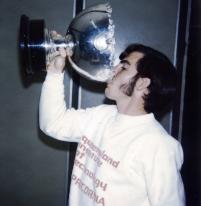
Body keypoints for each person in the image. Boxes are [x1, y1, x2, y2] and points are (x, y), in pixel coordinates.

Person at [39, 32, 185, 206]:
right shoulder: (102, 115)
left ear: (142, 84)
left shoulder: (159, 146)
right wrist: (55, 72)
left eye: (124, 67)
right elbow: (53, 123)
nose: (113, 70)